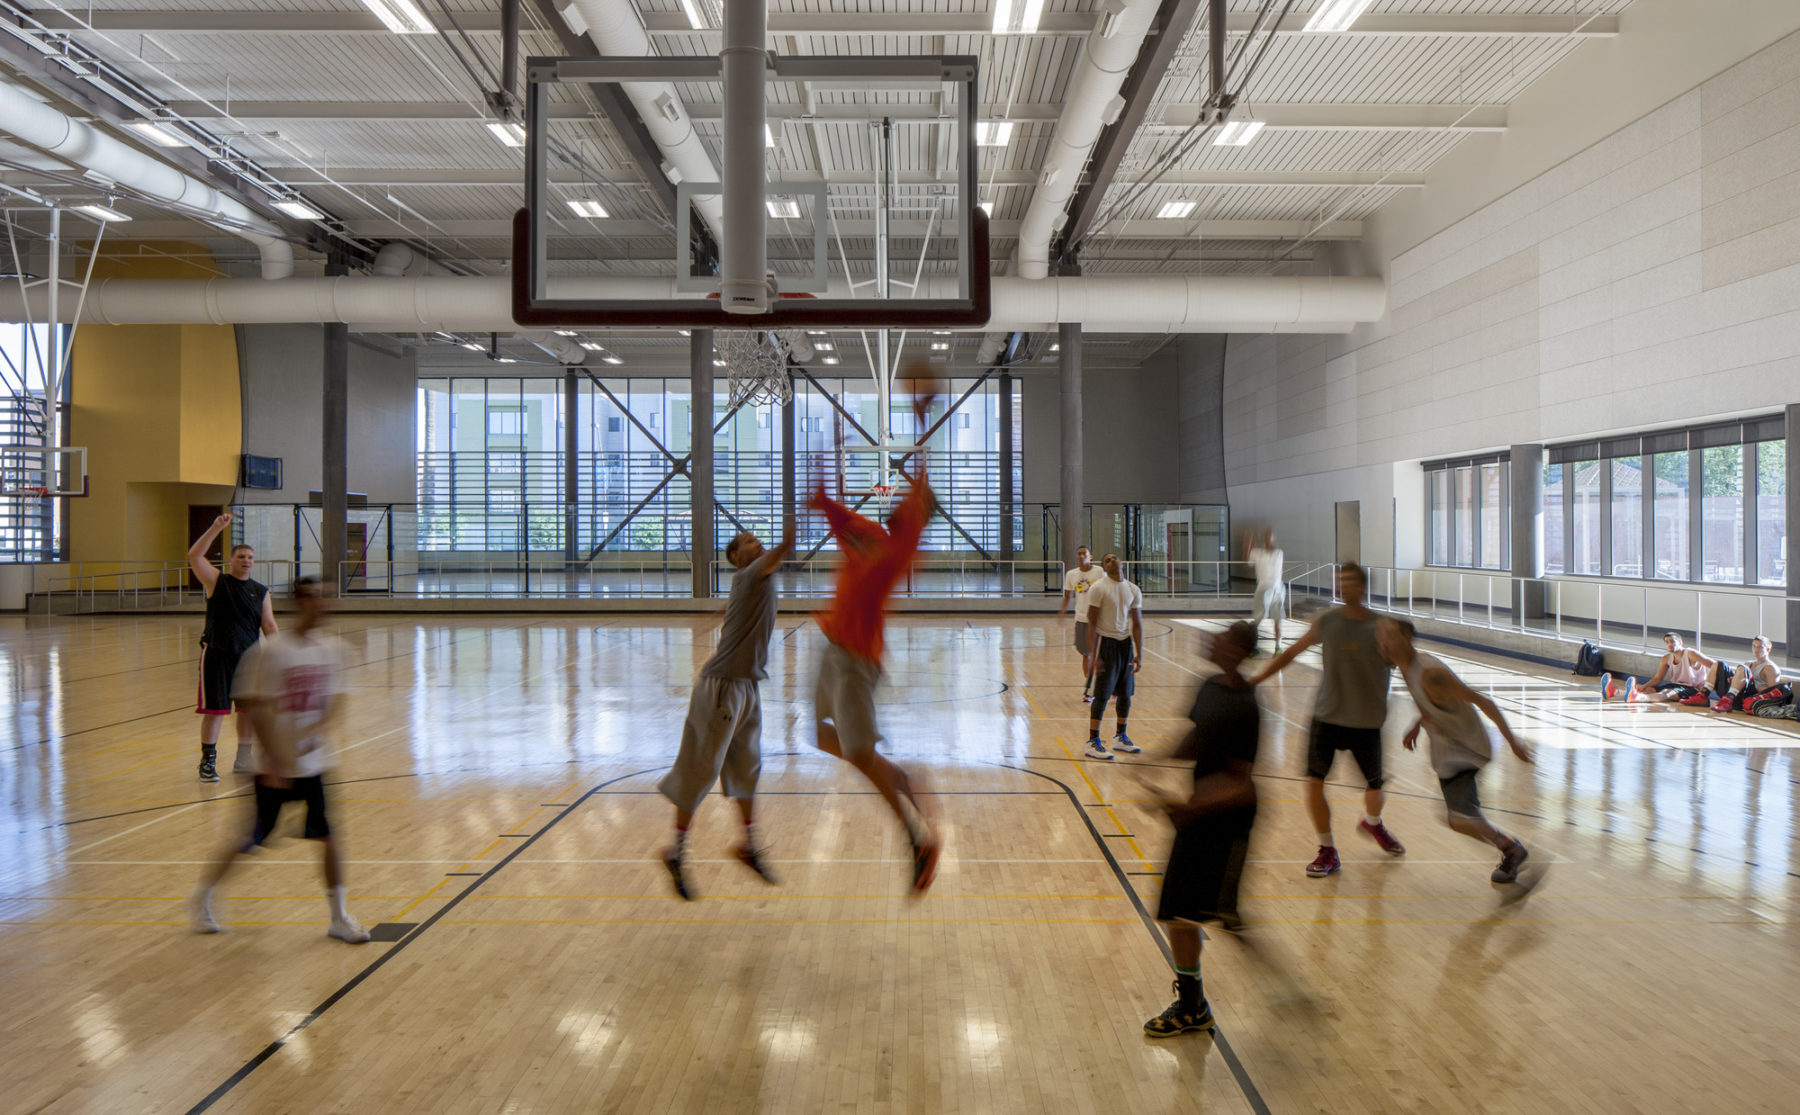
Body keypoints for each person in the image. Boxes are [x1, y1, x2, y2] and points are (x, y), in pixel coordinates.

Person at [189, 576, 369, 943]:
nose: (322, 604)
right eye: (313, 597)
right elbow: (257, 708)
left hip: (313, 764)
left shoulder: (333, 649)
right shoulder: (271, 652)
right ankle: (203, 897)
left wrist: (314, 733)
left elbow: (337, 701)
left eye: (325, 597)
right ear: (300, 602)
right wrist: (273, 760)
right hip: (273, 769)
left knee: (330, 839)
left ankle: (338, 917)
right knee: (248, 841)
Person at [809, 472, 943, 894]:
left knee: (860, 754)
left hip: (856, 660)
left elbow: (920, 490)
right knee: (819, 737)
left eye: (910, 500)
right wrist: (823, 480)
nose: (901, 499)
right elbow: (830, 509)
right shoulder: (869, 532)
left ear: (918, 515)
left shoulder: (904, 549)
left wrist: (924, 416)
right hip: (832, 650)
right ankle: (901, 778)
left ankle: (916, 839)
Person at [660, 517, 795, 900]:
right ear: (737, 557)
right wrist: (798, 520)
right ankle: (676, 850)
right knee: (700, 770)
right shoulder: (751, 575)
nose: (759, 543)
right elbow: (783, 551)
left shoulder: (754, 581)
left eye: (758, 539)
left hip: (748, 685)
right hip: (722, 687)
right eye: (750, 541)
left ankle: (748, 844)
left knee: (747, 768)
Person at [1142, 621, 1261, 1038]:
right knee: (1176, 912)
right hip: (1200, 813)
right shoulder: (1210, 685)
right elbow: (1197, 737)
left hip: (1227, 822)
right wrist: (1155, 759)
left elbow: (1239, 782)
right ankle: (1193, 1005)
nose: (1213, 639)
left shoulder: (1246, 706)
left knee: (1214, 915)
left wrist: (1190, 808)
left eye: (1223, 637)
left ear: (1237, 651)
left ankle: (1199, 999)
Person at [1249, 562, 1404, 878]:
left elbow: (1405, 663)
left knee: (1375, 787)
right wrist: (1257, 678)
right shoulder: (1328, 621)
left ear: (1363, 587)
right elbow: (1292, 652)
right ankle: (1327, 849)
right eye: (1339, 581)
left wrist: (1428, 712)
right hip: (1327, 716)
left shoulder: (1383, 626)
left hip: (1367, 721)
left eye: (1348, 581)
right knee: (1313, 782)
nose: (1341, 586)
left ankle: (1373, 823)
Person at [1377, 618, 1535, 885]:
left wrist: (1513, 742)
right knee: (1455, 820)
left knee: (1460, 817)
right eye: (1379, 638)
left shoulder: (1432, 674)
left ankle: (1511, 849)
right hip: (1450, 749)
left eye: (1388, 636)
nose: (1382, 643)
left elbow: (1484, 702)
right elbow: (1429, 703)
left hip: (1468, 749)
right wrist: (1418, 723)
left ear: (1407, 636)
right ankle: (1508, 847)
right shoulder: (1406, 669)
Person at [189, 512, 278, 782]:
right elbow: (195, 556)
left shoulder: (261, 591)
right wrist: (216, 527)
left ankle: (243, 758)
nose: (246, 560)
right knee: (215, 711)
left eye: (250, 557)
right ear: (231, 560)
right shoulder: (217, 582)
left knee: (248, 711)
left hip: (250, 658)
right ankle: (208, 761)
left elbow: (270, 626)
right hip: (217, 654)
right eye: (241, 556)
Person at [1083, 553, 1144, 760]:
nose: (1113, 560)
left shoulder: (1133, 589)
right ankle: (1092, 741)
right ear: (1104, 567)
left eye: (1115, 557)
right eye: (1107, 560)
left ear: (1122, 562)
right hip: (1105, 643)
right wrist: (1092, 654)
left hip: (1125, 645)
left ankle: (1120, 737)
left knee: (1126, 694)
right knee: (1101, 695)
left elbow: (1137, 623)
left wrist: (1139, 653)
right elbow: (1091, 622)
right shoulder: (1099, 587)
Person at [1600, 633, 1716, 704]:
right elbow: (1657, 679)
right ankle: (1614, 692)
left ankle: (1636, 698)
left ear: (1680, 642)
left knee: (1667, 693)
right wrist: (1642, 687)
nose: (1669, 644)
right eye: (1667, 642)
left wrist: (1707, 686)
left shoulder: (1690, 653)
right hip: (1675, 685)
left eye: (1672, 641)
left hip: (1692, 689)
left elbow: (1714, 665)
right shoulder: (1666, 658)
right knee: (1649, 690)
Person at [1058, 546, 1104, 703]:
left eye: (1084, 553)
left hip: (1099, 619)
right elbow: (1067, 596)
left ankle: (1107, 688)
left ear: (1090, 556)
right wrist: (1062, 612)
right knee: (1086, 655)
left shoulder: (1099, 572)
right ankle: (1089, 688)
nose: (1081, 555)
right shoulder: (1071, 574)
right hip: (1082, 619)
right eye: (1079, 553)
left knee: (1102, 655)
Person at [1712, 635, 1792, 713]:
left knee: (1744, 669)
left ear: (1768, 649)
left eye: (1760, 647)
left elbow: (1772, 692)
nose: (1756, 650)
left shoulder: (1770, 668)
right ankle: (1704, 694)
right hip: (1738, 694)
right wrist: (1734, 680)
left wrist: (1752, 684)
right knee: (1720, 664)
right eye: (1754, 646)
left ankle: (1727, 701)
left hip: (1749, 697)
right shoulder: (1748, 663)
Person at [1246, 530, 1285, 649]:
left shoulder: (1279, 553)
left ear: (1273, 539)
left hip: (1277, 589)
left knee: (1278, 620)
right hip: (1263, 589)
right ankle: (1253, 646)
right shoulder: (1257, 553)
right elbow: (1248, 561)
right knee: (1257, 619)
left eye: (1271, 537)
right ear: (1264, 540)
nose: (1268, 540)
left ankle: (1278, 646)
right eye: (1267, 537)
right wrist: (1248, 544)